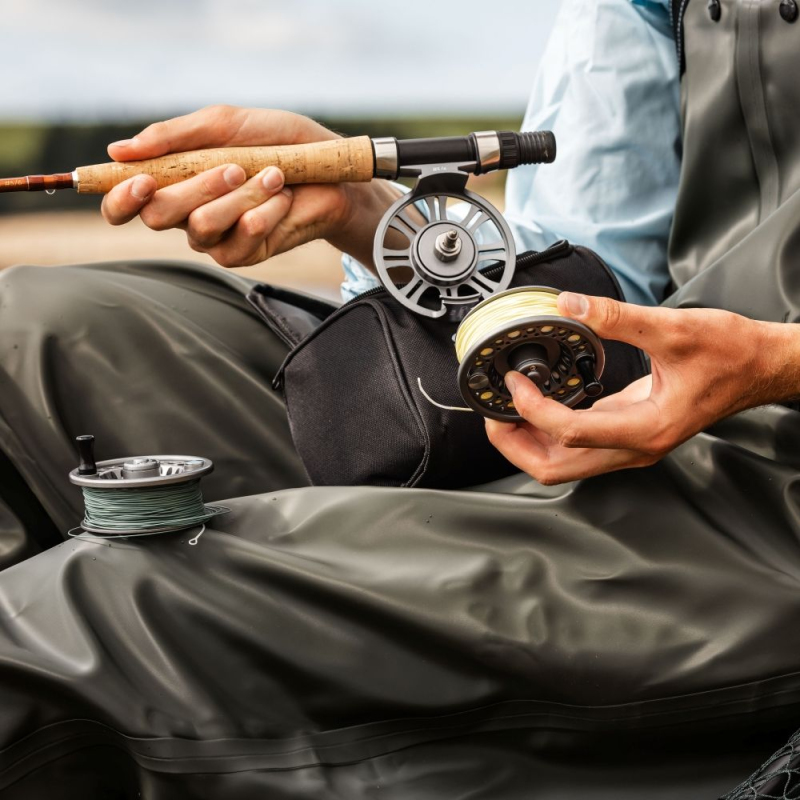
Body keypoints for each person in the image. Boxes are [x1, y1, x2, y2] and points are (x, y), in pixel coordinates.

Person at [3, 1, 800, 798]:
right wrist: (366, 209)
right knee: (29, 335)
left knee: (90, 619)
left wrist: (774, 364)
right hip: (617, 408)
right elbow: (589, 279)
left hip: (767, 508)